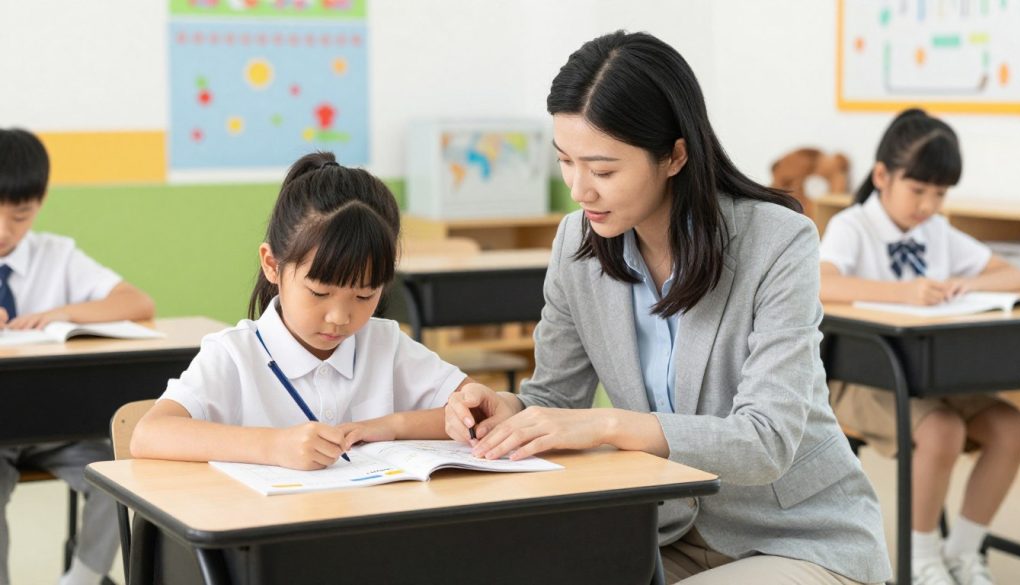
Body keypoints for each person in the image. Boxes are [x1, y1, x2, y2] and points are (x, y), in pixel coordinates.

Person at [445, 31, 890, 584]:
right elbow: (555, 398)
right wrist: (508, 411)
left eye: (604, 170)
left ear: (675, 155)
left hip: (796, 537)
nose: (580, 190)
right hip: (662, 536)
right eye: (566, 162)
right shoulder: (575, 244)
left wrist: (608, 424)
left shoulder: (778, 241)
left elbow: (766, 441)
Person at [132, 152, 489, 470]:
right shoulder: (235, 354)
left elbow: (475, 409)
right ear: (272, 265)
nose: (340, 317)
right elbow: (149, 434)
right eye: (319, 292)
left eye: (364, 296)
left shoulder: (384, 342)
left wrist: (391, 426)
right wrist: (274, 446)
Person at [820, 108, 1020, 585]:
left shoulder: (936, 231)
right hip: (861, 376)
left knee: (1012, 427)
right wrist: (903, 292)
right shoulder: (853, 226)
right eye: (919, 190)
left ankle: (963, 553)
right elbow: (819, 284)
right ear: (882, 176)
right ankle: (922, 559)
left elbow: (1012, 273)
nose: (929, 205)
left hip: (931, 374)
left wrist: (961, 284)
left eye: (940, 193)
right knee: (943, 430)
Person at [0, 127, 155, 585]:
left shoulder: (57, 256)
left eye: (20, 216)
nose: (4, 232)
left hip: (56, 427)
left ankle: (83, 577)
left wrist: (58, 313)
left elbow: (137, 303)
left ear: (40, 202)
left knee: (121, 471)